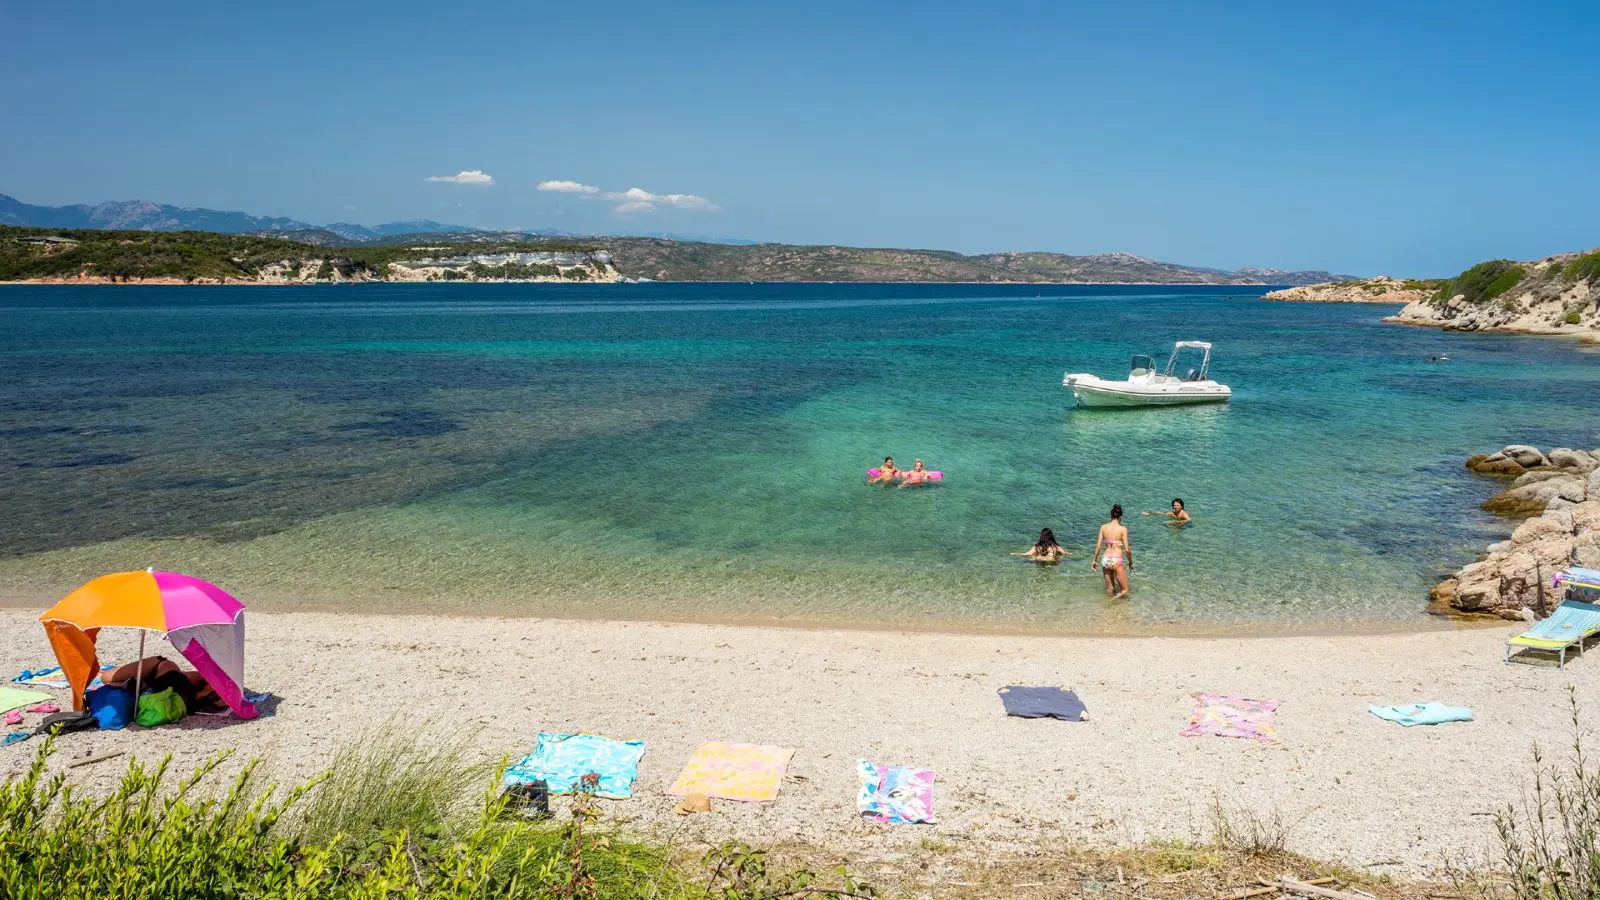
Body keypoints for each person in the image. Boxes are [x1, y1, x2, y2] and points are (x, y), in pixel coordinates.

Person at [1092, 504, 1132, 599]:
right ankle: (1113, 601)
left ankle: (1109, 609)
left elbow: (1098, 546)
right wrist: (1131, 561)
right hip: (1116, 560)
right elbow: (1127, 549)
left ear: (1111, 515)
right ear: (1121, 516)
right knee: (1125, 590)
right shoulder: (1123, 529)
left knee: (1110, 589)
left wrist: (1094, 560)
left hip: (1105, 559)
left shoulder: (1103, 527)